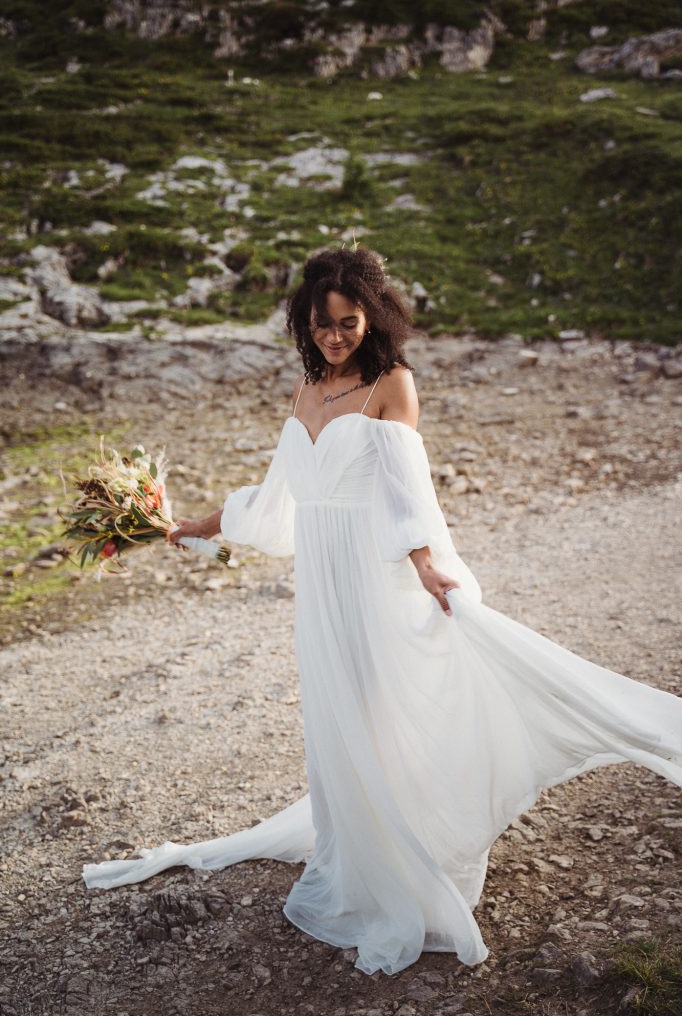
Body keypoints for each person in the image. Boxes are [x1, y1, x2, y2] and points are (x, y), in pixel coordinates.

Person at [82, 246, 682, 977]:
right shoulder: (307, 388)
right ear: (304, 323)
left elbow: (408, 493)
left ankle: (403, 859)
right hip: (321, 585)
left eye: (349, 322)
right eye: (322, 323)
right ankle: (356, 846)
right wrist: (187, 527)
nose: (335, 335)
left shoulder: (392, 384)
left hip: (374, 575)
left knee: (384, 707)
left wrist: (427, 564)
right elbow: (276, 501)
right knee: (336, 714)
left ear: (372, 318)